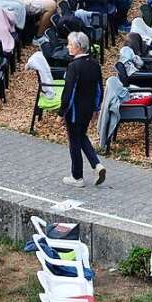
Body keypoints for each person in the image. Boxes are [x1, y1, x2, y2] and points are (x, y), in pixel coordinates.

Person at [60, 31, 105, 188]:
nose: (68, 47)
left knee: (74, 141)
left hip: (74, 111)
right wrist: (96, 108)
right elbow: (99, 88)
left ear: (78, 47)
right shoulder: (94, 64)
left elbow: (69, 92)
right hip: (89, 109)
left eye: (70, 44)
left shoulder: (74, 67)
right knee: (81, 136)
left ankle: (77, 176)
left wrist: (62, 111)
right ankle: (96, 164)